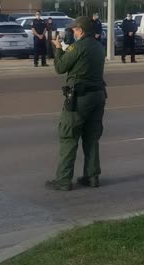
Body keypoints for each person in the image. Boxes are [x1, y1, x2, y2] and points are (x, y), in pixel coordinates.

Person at [47, 16, 107, 191]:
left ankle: (63, 180)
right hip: (98, 95)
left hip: (80, 98)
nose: (72, 32)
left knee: (69, 136)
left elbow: (60, 67)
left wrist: (58, 48)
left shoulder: (78, 46)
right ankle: (92, 176)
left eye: (74, 29)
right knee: (91, 137)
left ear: (81, 30)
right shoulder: (98, 46)